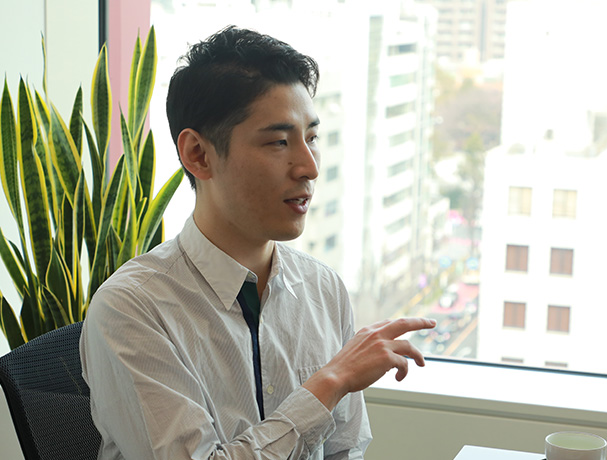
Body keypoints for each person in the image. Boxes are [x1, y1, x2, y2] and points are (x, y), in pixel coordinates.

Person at [80, 25, 436, 460]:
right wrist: (329, 383)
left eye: (312, 138)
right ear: (198, 155)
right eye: (279, 142)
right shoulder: (132, 308)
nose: (309, 167)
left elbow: (345, 450)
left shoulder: (324, 290)